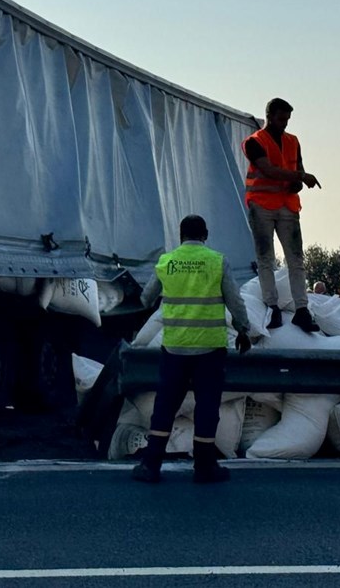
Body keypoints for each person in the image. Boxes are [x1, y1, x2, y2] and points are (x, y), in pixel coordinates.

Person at [132, 215, 252, 485]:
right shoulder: (217, 261)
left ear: (180, 235)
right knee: (207, 407)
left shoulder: (167, 262)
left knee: (165, 406)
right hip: (210, 348)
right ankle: (204, 466)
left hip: (175, 348)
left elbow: (146, 298)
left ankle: (151, 464)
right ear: (205, 235)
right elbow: (235, 300)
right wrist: (243, 330)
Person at [243, 98, 321, 332]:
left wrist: (298, 182)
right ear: (269, 116)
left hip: (288, 205)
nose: (284, 124)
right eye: (280, 119)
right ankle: (272, 306)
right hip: (262, 204)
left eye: (287, 119)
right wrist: (300, 177)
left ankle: (302, 309)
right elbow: (268, 169)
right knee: (265, 258)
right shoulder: (254, 142)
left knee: (296, 259)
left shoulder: (292, 141)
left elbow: (298, 169)